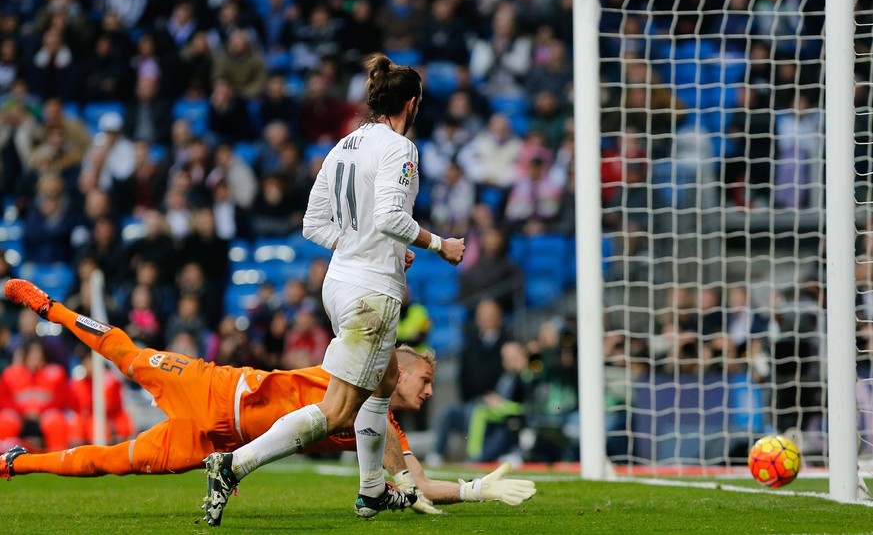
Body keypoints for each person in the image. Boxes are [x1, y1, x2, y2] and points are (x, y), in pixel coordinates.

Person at [0, 279, 534, 516]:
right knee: (129, 354)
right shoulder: (355, 363)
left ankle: (15, 463)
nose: (430, 390)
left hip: (216, 438)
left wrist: (474, 491)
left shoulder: (383, 430)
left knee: (115, 461)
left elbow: (416, 483)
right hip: (215, 385)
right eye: (426, 380)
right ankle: (51, 307)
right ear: (405, 363)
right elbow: (368, 311)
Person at [200, 52, 466, 526]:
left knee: (383, 382)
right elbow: (388, 217)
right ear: (412, 102)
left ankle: (372, 493)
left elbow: (312, 224)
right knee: (338, 410)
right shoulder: (401, 149)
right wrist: (438, 244)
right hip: (370, 292)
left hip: (339, 282)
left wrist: (366, 244)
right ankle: (233, 466)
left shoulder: (344, 145)